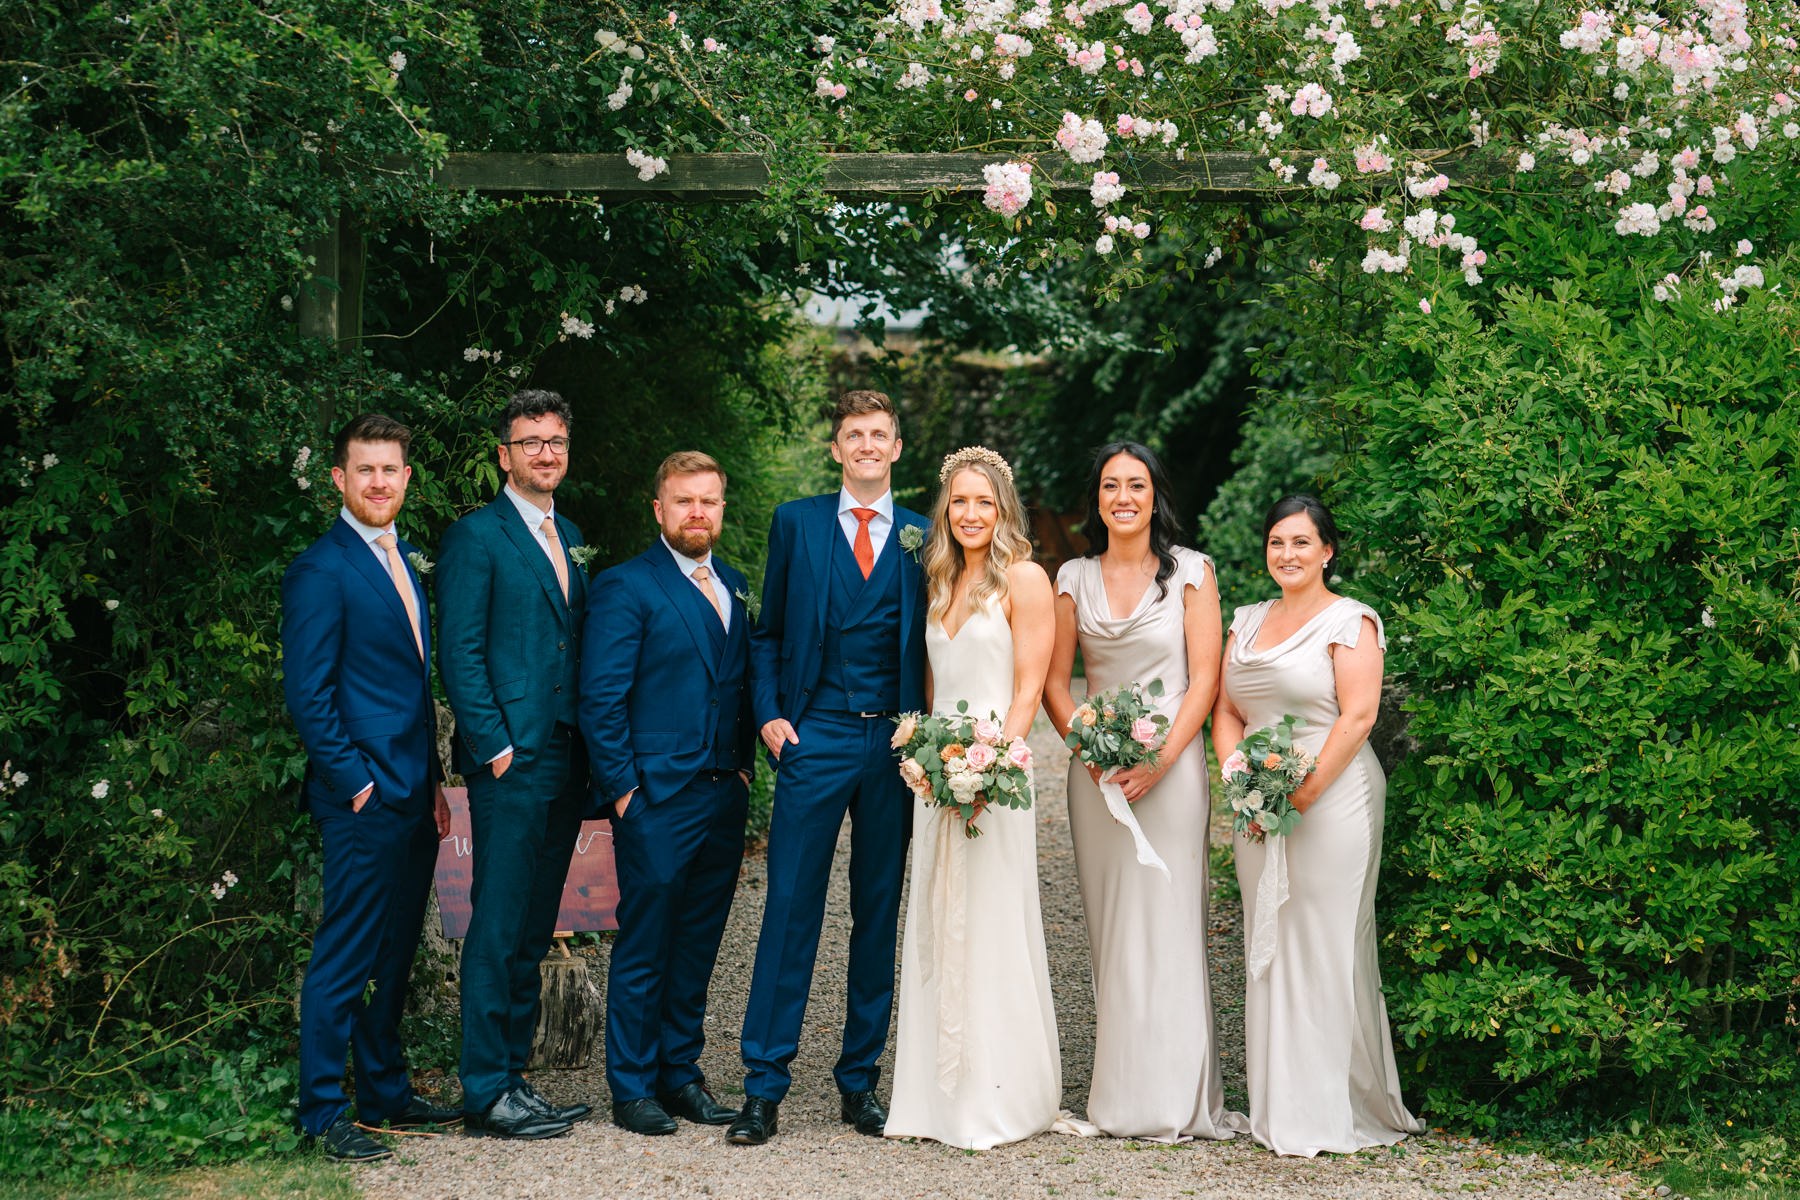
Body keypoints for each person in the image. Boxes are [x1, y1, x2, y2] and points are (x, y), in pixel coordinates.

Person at [728, 390, 929, 1146]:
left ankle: (860, 1083)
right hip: (815, 738)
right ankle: (763, 1086)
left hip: (896, 747)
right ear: (836, 448)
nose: (868, 445)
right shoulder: (797, 522)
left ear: (897, 447)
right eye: (855, 435)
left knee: (877, 914)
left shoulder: (922, 534)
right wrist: (771, 716)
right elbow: (768, 631)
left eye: (880, 434)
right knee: (789, 910)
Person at [1043, 443, 1246, 1143]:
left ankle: (1179, 1097)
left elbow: (1206, 677)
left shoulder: (1192, 571)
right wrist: (1091, 751)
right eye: (1109, 485)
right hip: (1096, 777)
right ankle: (1122, 1094)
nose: (1122, 497)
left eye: (1136, 484)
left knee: (1171, 916)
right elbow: (1053, 682)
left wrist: (1159, 759)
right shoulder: (1071, 575)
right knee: (1112, 928)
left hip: (1173, 768)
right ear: (1096, 499)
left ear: (1155, 494)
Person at [1211, 494, 1424, 1157]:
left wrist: (1299, 795)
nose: (1288, 554)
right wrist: (1242, 785)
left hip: (1333, 796)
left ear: (1328, 551)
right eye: (1277, 542)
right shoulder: (1244, 621)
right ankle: (1282, 1105)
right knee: (1270, 939)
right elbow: (1225, 711)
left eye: (1302, 542)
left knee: (1328, 941)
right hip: (1260, 801)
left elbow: (1357, 717)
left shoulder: (1352, 622)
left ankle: (1335, 1108)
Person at [281, 412, 456, 1162]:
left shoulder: (405, 557)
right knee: (346, 955)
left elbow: (414, 686)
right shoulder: (321, 570)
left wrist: (437, 783)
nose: (380, 482)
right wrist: (354, 783)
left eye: (391, 470)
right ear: (339, 480)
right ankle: (321, 1111)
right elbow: (308, 695)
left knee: (391, 955)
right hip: (363, 799)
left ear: (406, 479)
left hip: (414, 793)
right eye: (366, 470)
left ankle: (384, 1092)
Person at [884, 446, 1062, 1150]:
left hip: (998, 778)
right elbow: (932, 694)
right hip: (939, 777)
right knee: (935, 919)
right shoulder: (937, 580)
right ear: (945, 510)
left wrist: (988, 771)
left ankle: (1002, 1097)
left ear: (1004, 509)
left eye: (983, 501)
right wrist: (934, 764)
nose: (970, 513)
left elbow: (1027, 688)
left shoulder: (1025, 578)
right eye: (959, 501)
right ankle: (935, 1101)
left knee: (991, 923)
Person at [579, 452, 755, 1136]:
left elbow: (737, 686)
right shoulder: (626, 586)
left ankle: (680, 1074)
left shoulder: (734, 585)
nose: (697, 513)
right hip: (654, 798)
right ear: (659, 509)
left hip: (721, 795)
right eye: (683, 501)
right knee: (647, 943)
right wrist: (625, 792)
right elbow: (601, 698)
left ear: (720, 507)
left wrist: (741, 769)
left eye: (708, 501)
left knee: (697, 946)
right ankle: (630, 1087)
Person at [437, 390, 592, 1140]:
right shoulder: (477, 537)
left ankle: (516, 1079)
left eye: (556, 441)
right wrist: (494, 746)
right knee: (497, 928)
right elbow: (459, 652)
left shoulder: (572, 536)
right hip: (510, 763)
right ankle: (484, 1090)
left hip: (564, 760)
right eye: (530, 442)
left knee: (535, 927)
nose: (544, 453)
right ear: (504, 454)